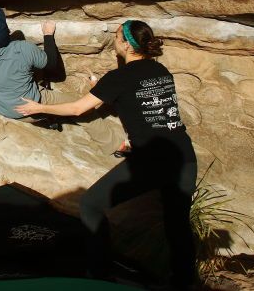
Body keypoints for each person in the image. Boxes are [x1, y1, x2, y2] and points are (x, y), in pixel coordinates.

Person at [16, 20, 197, 288]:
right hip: (183, 154)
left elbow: (78, 109)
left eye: (115, 36)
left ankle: (100, 276)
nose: (113, 40)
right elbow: (141, 100)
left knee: (91, 205)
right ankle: (185, 283)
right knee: (177, 223)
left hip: (152, 159)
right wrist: (102, 87)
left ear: (125, 44)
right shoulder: (160, 70)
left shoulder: (119, 78)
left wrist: (38, 108)